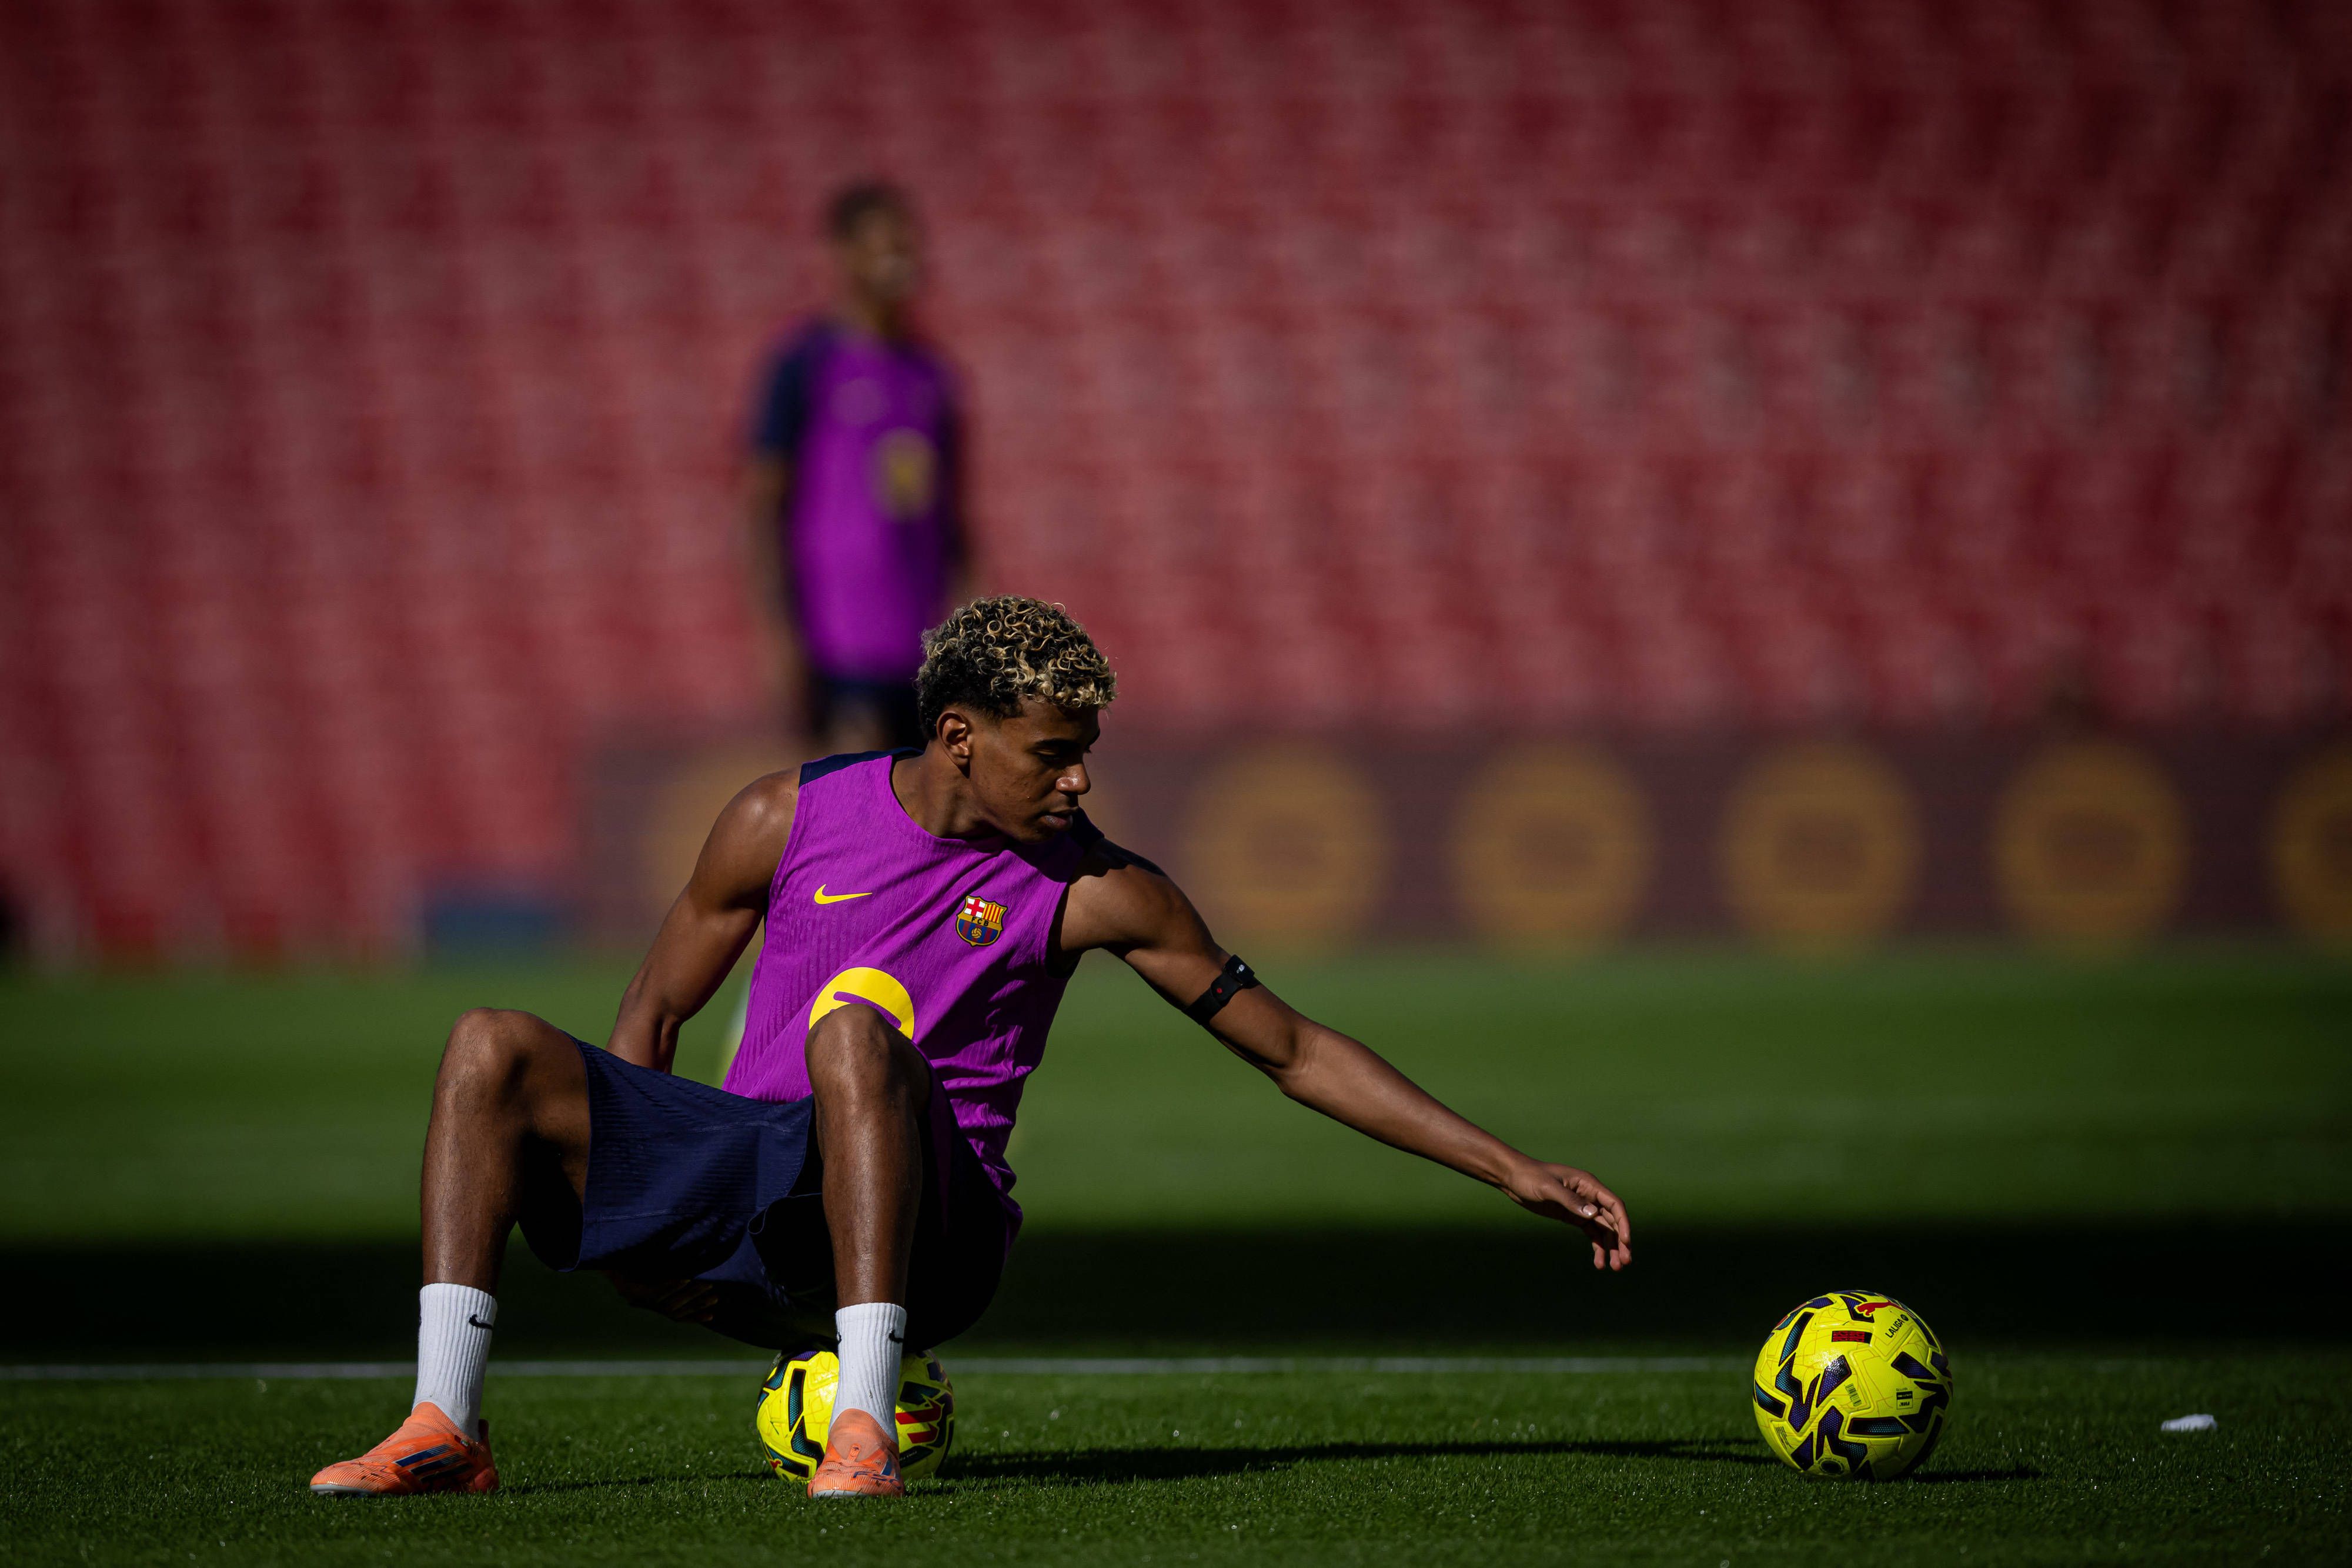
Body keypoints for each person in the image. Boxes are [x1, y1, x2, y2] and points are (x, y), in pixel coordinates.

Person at [308, 597, 1632, 1502]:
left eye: (1085, 756)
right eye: (1052, 756)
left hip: (936, 1229)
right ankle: (447, 1424)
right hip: (766, 1188)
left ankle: (865, 1422)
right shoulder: (784, 815)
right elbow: (648, 1021)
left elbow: (1288, 1048)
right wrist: (654, 1229)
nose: (1079, 785)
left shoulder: (1101, 886)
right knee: (487, 1042)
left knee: (855, 1036)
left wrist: (1507, 1166)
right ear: (958, 735)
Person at [742, 181, 967, 755]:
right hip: (838, 631)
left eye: (907, 245)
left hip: (921, 633)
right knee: (853, 799)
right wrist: (779, 632)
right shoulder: (805, 362)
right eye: (883, 244)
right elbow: (764, 499)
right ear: (842, 254)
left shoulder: (931, 374)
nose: (901, 259)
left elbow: (953, 513)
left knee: (923, 813)